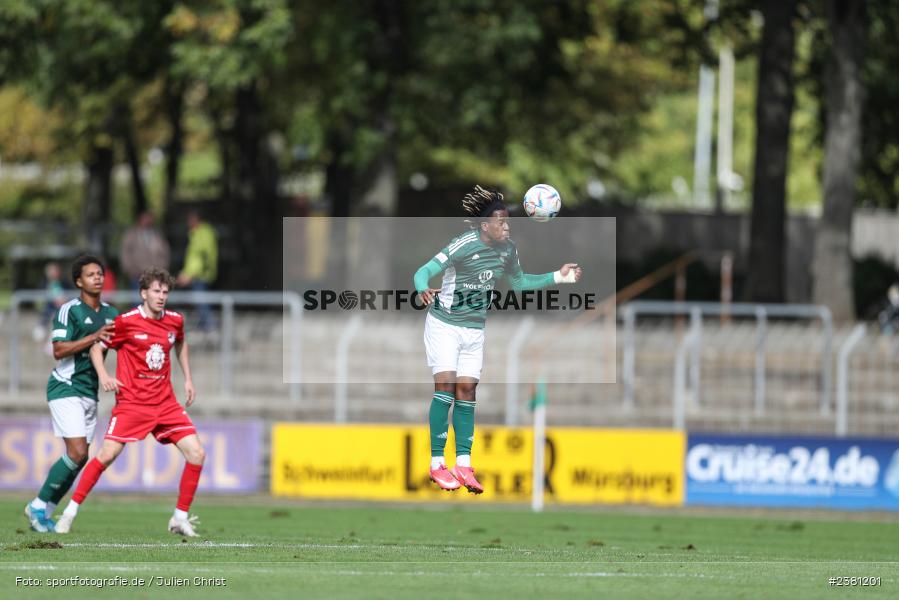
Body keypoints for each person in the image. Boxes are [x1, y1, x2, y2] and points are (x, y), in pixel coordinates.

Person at [413, 185, 582, 493]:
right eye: (501, 223)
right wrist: (422, 287)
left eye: (508, 222)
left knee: (467, 390)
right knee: (447, 388)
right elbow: (424, 270)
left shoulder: (508, 249)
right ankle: (438, 463)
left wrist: (559, 276)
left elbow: (519, 283)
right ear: (485, 225)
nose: (507, 227)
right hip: (444, 325)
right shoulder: (463, 244)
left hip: (474, 330)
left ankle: (463, 464)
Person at [54, 267, 205, 537]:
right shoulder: (125, 322)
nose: (161, 296)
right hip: (132, 404)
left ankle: (179, 518)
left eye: (165, 292)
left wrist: (188, 379)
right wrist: (104, 375)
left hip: (165, 403)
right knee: (106, 455)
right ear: (143, 293)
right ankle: (69, 513)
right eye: (156, 291)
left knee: (197, 453)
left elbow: (181, 343)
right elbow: (97, 348)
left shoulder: (174, 320)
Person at [24, 255, 117, 532]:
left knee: (80, 457)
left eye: (100, 273)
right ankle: (38, 505)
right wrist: (94, 336)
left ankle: (45, 511)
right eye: (90, 274)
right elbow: (58, 350)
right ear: (79, 281)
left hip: (89, 391)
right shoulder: (69, 310)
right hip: (65, 387)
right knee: (76, 452)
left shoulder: (112, 314)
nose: (97, 278)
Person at [177, 210, 218, 333]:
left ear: (196, 219)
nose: (188, 223)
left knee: (201, 299)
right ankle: (206, 324)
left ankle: (209, 326)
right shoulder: (198, 233)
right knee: (200, 299)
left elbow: (201, 257)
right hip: (198, 273)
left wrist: (189, 274)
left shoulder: (202, 234)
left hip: (201, 274)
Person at [120, 211, 170, 290]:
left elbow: (165, 253)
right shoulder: (131, 235)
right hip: (136, 275)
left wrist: (161, 269)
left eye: (149, 219)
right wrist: (129, 269)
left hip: (154, 276)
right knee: (137, 299)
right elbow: (125, 253)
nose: (148, 221)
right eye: (145, 219)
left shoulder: (157, 236)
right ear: (140, 220)